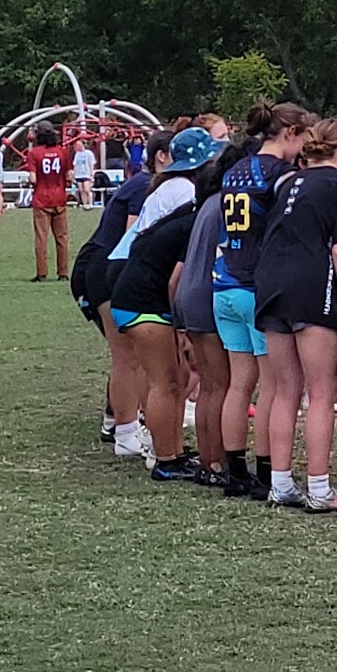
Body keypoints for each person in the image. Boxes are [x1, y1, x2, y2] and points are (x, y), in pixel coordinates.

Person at [255, 117, 337, 511]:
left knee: (285, 389)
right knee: (321, 392)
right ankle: (319, 488)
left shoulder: (288, 181)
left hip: (269, 284)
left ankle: (281, 483)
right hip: (311, 285)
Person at [108, 128, 227, 480]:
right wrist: (181, 327)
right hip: (143, 299)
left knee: (175, 379)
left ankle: (172, 451)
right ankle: (165, 460)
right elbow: (176, 280)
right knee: (165, 382)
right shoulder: (193, 212)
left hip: (141, 292)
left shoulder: (185, 203)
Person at [214, 101, 315, 496]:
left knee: (239, 385)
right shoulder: (281, 174)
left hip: (223, 281)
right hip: (256, 286)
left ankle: (236, 472)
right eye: (303, 138)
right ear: (290, 133)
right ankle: (269, 471)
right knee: (273, 385)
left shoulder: (235, 168)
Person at [75, 130, 170, 454]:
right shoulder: (145, 186)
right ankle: (125, 430)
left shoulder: (146, 184)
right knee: (128, 356)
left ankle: (124, 424)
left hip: (106, 266)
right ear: (161, 156)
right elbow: (133, 236)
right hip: (107, 268)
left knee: (134, 356)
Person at [177, 143, 242, 486]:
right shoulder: (227, 205)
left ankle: (208, 460)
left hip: (190, 294)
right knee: (221, 386)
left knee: (209, 386)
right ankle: (218, 462)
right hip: (209, 294)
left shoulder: (209, 202)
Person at [25, 123, 70, 281]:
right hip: (60, 199)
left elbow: (33, 178)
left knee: (41, 238)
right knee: (62, 238)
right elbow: (70, 175)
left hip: (42, 199)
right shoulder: (63, 152)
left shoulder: (34, 153)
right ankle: (63, 273)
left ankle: (42, 273)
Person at [72, 141, 97, 210]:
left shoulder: (89, 153)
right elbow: (75, 165)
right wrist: (74, 174)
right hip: (78, 174)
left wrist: (91, 173)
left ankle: (90, 203)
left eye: (79, 145)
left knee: (87, 189)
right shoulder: (77, 154)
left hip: (86, 174)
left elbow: (91, 164)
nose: (78, 146)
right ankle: (84, 204)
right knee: (81, 190)